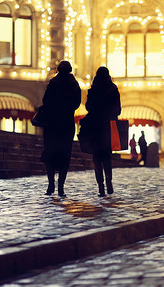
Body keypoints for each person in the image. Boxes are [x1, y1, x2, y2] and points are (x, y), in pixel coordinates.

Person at [41, 60, 81, 197]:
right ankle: (61, 187)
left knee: (50, 154)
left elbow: (45, 101)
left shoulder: (53, 83)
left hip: (52, 124)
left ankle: (51, 184)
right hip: (66, 124)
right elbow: (77, 103)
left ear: (58, 70)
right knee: (64, 155)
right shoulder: (74, 84)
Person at [85, 66, 121, 196]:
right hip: (108, 127)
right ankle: (109, 182)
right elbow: (118, 110)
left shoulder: (93, 90)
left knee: (97, 158)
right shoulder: (113, 90)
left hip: (95, 127)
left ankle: (100, 186)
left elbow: (88, 107)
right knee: (107, 157)